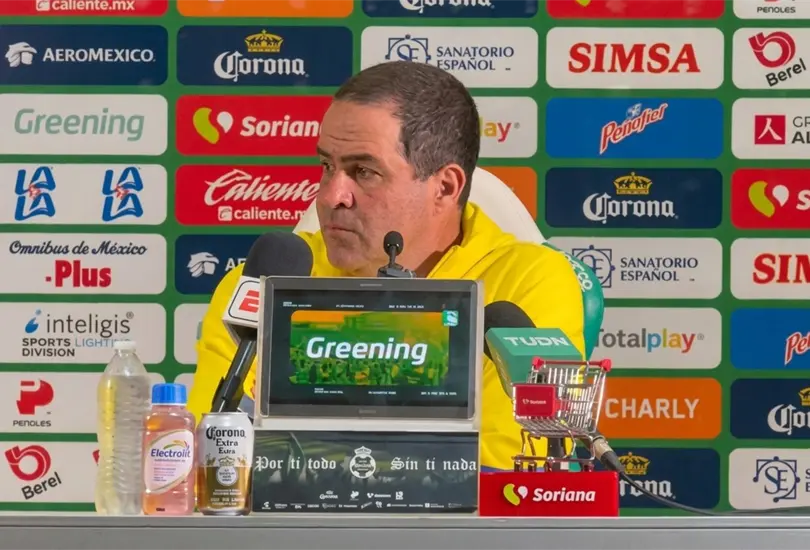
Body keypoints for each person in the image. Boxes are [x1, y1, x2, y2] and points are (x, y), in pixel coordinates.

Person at [187, 61, 585, 472]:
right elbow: (217, 456)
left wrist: (311, 462)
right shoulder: (261, 281)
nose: (330, 196)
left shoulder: (530, 280)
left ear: (444, 188)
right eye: (327, 167)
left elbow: (510, 463)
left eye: (364, 171)